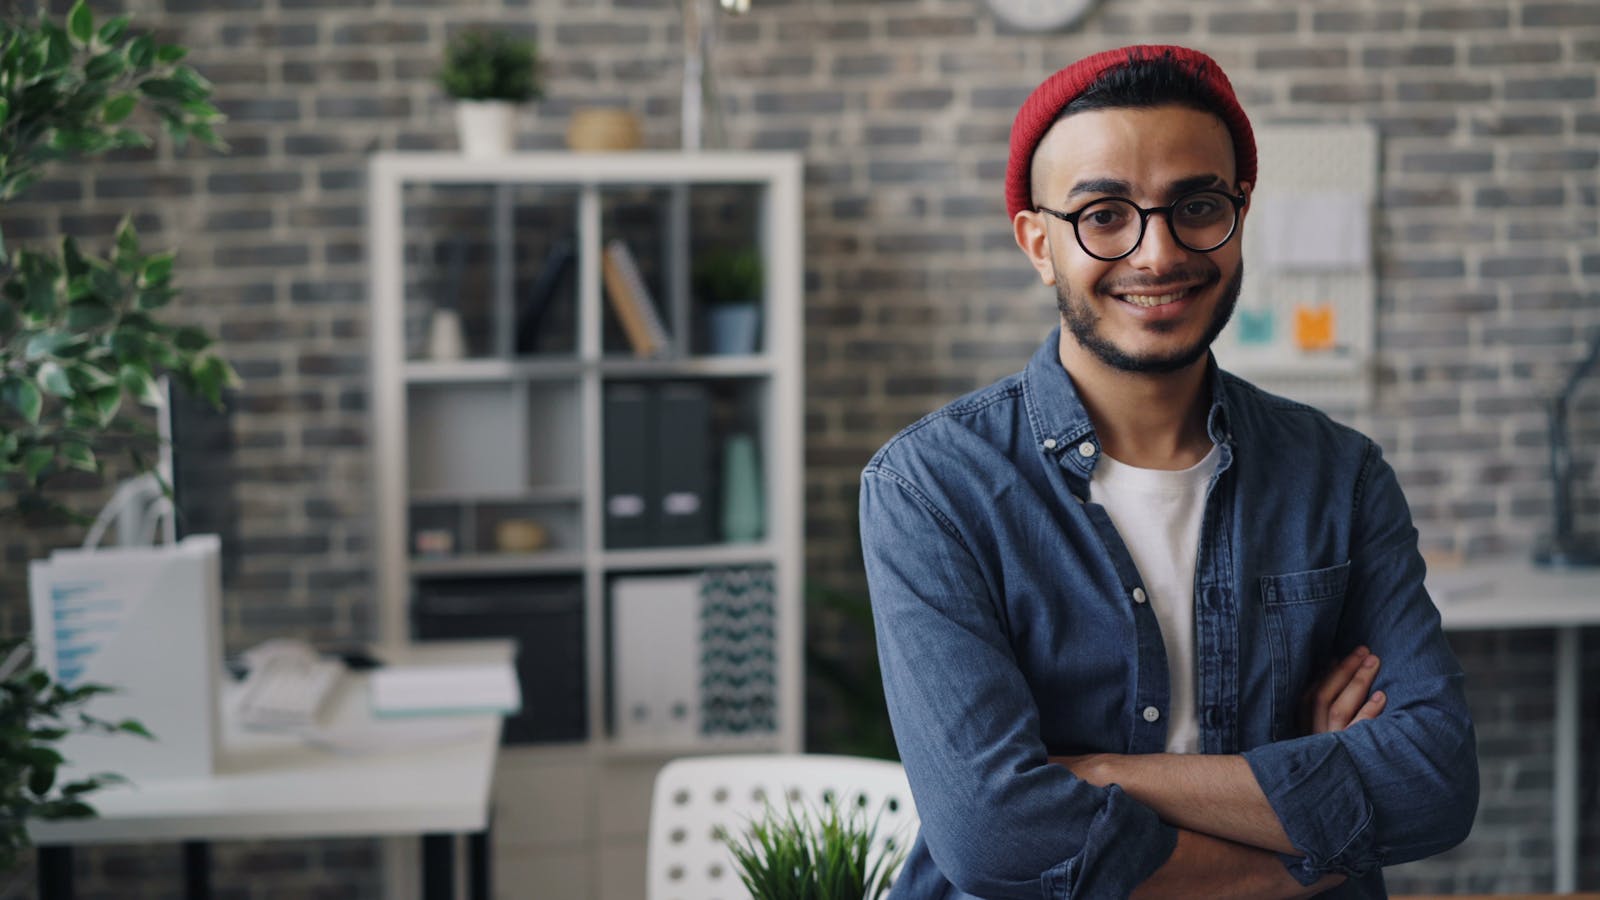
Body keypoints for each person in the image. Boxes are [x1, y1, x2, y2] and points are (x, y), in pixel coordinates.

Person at [860, 45, 1478, 899]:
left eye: (1195, 206)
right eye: (1104, 215)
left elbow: (1436, 782)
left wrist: (1108, 774)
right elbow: (992, 833)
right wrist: (1317, 836)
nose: (1157, 254)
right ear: (1038, 244)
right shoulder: (930, 489)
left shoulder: (1341, 476)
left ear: (1239, 212)